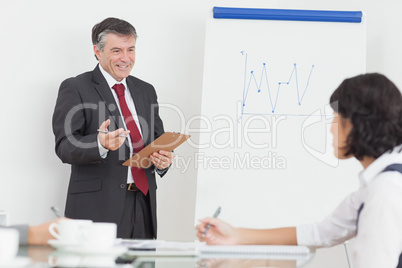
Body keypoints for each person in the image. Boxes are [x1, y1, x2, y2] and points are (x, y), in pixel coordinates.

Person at [196, 73, 402, 267]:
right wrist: (235, 235)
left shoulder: (385, 191)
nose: (331, 128)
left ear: (359, 123)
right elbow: (321, 233)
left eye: (337, 118)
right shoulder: (380, 183)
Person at [52, 17, 174, 239]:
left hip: (144, 203)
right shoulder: (76, 87)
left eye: (131, 49)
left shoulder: (146, 90)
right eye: (116, 50)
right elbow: (64, 145)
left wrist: (164, 159)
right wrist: (99, 144)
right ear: (98, 52)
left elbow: (158, 140)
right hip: (97, 207)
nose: (125, 58)